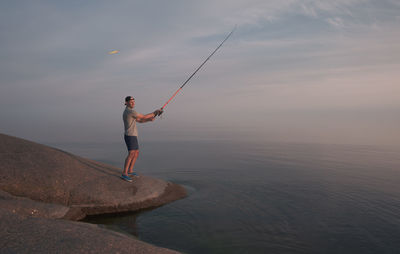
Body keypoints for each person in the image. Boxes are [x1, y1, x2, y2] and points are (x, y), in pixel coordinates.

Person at [121, 96, 162, 182]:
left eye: (133, 101)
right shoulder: (129, 111)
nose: (133, 103)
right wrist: (155, 112)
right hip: (129, 135)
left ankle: (130, 170)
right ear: (126, 103)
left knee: (136, 153)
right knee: (131, 153)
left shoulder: (131, 112)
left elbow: (140, 120)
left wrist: (149, 120)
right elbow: (143, 116)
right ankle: (124, 173)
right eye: (131, 101)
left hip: (133, 135)